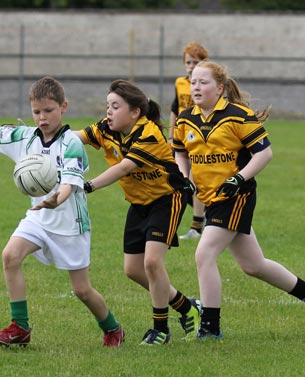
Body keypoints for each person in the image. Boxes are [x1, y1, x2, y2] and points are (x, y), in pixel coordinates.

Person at [0, 76, 125, 347]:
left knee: (81, 290)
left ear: (63, 107)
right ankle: (20, 327)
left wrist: (57, 199)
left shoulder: (71, 143)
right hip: (39, 218)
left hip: (70, 223)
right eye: (37, 111)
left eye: (49, 110)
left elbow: (69, 183)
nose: (42, 117)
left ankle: (113, 329)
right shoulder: (25, 137)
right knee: (10, 255)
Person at [173, 60, 305, 339]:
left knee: (204, 253)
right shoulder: (186, 119)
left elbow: (264, 154)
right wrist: (184, 177)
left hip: (237, 196)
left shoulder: (238, 116)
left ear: (220, 88)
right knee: (253, 265)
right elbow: (180, 152)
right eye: (193, 82)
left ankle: (210, 328)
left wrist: (239, 178)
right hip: (211, 198)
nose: (196, 87)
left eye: (203, 82)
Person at [58, 79, 200, 345]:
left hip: (167, 199)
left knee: (152, 263)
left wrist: (86, 185)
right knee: (133, 270)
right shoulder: (106, 128)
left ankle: (161, 330)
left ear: (135, 112)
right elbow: (75, 136)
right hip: (139, 203)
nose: (108, 112)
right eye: (107, 106)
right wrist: (44, 133)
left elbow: (124, 167)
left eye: (115, 106)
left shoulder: (148, 133)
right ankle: (187, 307)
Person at [169, 41, 209, 240]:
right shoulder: (180, 83)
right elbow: (175, 109)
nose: (192, 66)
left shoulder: (207, 86)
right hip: (182, 136)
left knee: (195, 179)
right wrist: (171, 134)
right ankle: (205, 218)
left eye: (196, 62)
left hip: (200, 135)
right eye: (188, 62)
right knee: (184, 179)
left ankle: (198, 226)